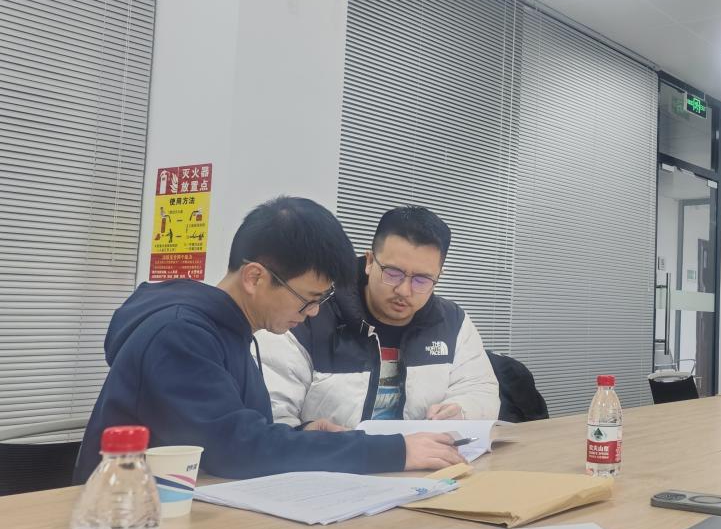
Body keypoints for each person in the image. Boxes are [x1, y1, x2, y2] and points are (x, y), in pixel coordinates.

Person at [73, 197, 465, 482]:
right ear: (255, 278)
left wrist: (301, 433)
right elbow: (237, 449)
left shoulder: (229, 332)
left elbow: (233, 430)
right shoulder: (179, 335)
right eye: (308, 299)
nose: (314, 313)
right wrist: (393, 451)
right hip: (127, 520)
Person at [258, 206, 500, 428]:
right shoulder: (307, 316)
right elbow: (269, 414)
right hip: (333, 459)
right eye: (393, 273)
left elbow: (481, 389)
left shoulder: (453, 323)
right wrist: (308, 435)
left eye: (422, 280)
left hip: (423, 458)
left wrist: (462, 410)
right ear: (370, 262)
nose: (404, 290)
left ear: (438, 276)